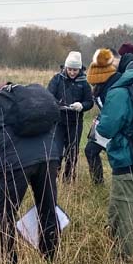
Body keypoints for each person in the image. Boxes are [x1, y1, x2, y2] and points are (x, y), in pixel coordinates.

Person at [0, 81, 62, 264]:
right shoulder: (14, 102)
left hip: (15, 163)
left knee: (5, 215)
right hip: (49, 156)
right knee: (48, 208)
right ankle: (51, 259)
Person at [96, 65, 133, 262]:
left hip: (126, 159)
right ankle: (132, 242)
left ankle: (127, 256)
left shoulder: (118, 94)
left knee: (125, 207)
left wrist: (99, 122)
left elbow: (106, 129)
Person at [47, 51, 93, 182]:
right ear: (65, 67)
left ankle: (68, 180)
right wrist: (56, 104)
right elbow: (48, 95)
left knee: (72, 152)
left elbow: (90, 101)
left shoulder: (84, 83)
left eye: (75, 70)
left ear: (80, 69)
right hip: (58, 121)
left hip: (75, 122)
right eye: (70, 69)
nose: (72, 72)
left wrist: (82, 105)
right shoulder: (57, 79)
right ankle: (53, 177)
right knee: (55, 150)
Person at [84, 48, 121, 185]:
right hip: (105, 124)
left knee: (116, 156)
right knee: (90, 150)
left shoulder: (115, 83)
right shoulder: (100, 86)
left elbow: (115, 110)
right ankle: (98, 184)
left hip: (116, 127)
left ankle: (120, 185)